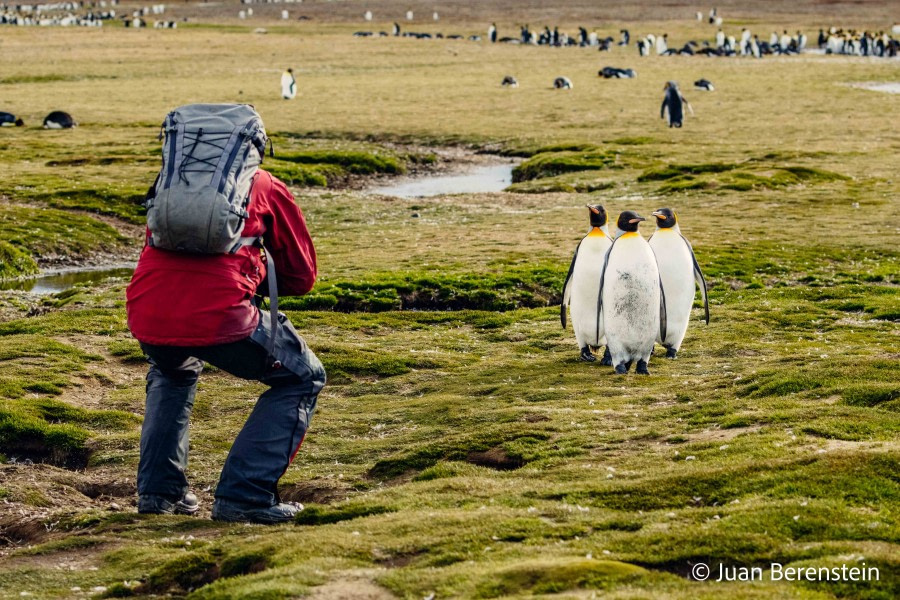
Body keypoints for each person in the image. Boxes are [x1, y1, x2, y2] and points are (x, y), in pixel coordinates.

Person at [125, 167, 326, 524]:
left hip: (149, 309)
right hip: (222, 314)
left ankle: (159, 494)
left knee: (172, 369)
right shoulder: (264, 184)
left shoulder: (171, 180)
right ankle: (245, 495)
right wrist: (254, 273)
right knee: (302, 376)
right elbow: (301, 275)